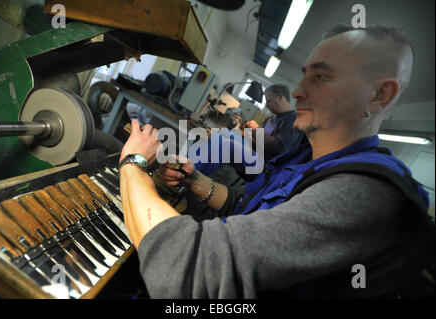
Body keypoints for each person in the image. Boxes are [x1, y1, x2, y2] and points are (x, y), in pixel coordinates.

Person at [118, 24, 434, 298]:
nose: (297, 91)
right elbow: (243, 208)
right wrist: (195, 181)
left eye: (321, 77)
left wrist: (133, 164)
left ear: (378, 95)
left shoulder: (367, 194)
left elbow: (185, 272)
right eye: (305, 76)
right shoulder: (304, 158)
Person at [244, 84, 305, 161]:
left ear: (280, 98)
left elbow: (280, 148)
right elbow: (264, 142)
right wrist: (249, 135)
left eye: (268, 101)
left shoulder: (293, 119)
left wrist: (257, 131)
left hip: (267, 166)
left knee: (226, 144)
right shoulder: (271, 119)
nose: (266, 105)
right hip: (257, 154)